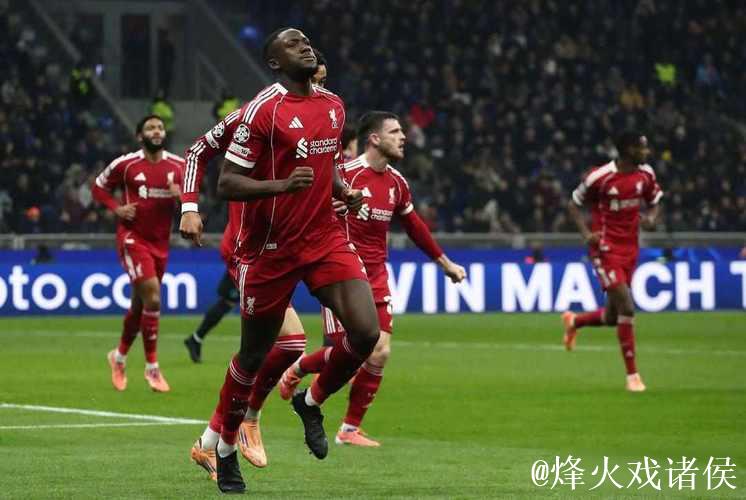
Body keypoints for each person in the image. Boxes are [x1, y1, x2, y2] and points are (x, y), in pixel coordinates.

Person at [180, 28, 379, 493]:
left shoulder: (334, 107)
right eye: (294, 44)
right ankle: (224, 447)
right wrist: (190, 205)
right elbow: (218, 173)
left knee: (366, 333)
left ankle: (309, 402)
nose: (307, 47)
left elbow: (326, 166)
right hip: (266, 248)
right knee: (258, 353)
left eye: (308, 42)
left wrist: (343, 191)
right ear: (274, 63)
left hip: (323, 239)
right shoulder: (258, 112)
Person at [278, 111, 466, 446]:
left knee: (379, 352)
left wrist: (445, 263)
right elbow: (305, 209)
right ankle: (300, 372)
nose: (403, 137)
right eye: (395, 131)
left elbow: (415, 228)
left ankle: (347, 427)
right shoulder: (345, 175)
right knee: (345, 352)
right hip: (342, 275)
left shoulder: (397, 183)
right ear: (374, 139)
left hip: (377, 275)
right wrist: (329, 211)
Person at [181, 106, 308, 476]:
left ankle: (208, 443)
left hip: (286, 248)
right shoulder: (254, 114)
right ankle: (248, 418)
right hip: (249, 248)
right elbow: (197, 150)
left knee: (276, 347)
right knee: (289, 343)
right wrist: (189, 207)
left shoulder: (322, 112)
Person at [562, 131, 663, 392]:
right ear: (628, 149)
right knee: (627, 308)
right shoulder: (600, 177)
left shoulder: (646, 174)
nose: (646, 152)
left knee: (611, 316)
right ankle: (633, 377)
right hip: (605, 250)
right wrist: (586, 234)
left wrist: (652, 219)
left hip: (630, 249)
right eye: (642, 148)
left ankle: (575, 321)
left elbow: (655, 201)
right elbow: (573, 204)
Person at [91, 115, 184, 393]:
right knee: (153, 297)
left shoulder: (179, 167)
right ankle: (152, 368)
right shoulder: (126, 164)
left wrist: (180, 197)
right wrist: (117, 209)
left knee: (140, 305)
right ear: (139, 136)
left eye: (160, 127)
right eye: (150, 128)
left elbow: (192, 205)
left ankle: (118, 357)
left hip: (161, 243)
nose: (156, 131)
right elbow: (98, 188)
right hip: (133, 238)